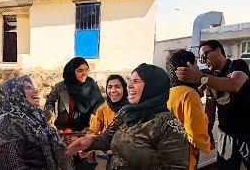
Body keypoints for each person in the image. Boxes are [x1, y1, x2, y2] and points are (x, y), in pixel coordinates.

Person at [66, 63, 190, 170]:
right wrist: (88, 142)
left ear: (153, 87)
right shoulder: (126, 112)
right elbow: (107, 139)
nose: (129, 86)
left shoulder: (168, 125)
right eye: (130, 81)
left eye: (136, 81)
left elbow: (177, 167)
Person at [176, 40, 250, 169]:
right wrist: (208, 132)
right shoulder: (210, 78)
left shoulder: (237, 65)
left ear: (218, 51)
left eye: (204, 55)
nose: (203, 60)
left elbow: (235, 85)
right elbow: (210, 108)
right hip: (226, 133)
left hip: (247, 130)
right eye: (200, 58)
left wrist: (201, 77)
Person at [0, 75, 73, 170]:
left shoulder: (37, 118)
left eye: (33, 88)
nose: (35, 91)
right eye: (28, 88)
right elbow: (11, 164)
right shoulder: (8, 120)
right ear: (15, 93)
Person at [166, 50, 211, 169]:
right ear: (188, 68)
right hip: (185, 157)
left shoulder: (168, 92)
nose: (198, 68)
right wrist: (206, 143)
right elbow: (196, 135)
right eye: (195, 64)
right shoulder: (189, 94)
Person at [45, 57, 105, 132]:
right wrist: (50, 115)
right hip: (64, 128)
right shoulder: (61, 87)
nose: (84, 74)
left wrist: (94, 113)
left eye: (86, 70)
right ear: (72, 72)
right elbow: (50, 101)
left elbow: (100, 102)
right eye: (80, 71)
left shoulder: (91, 84)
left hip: (85, 128)